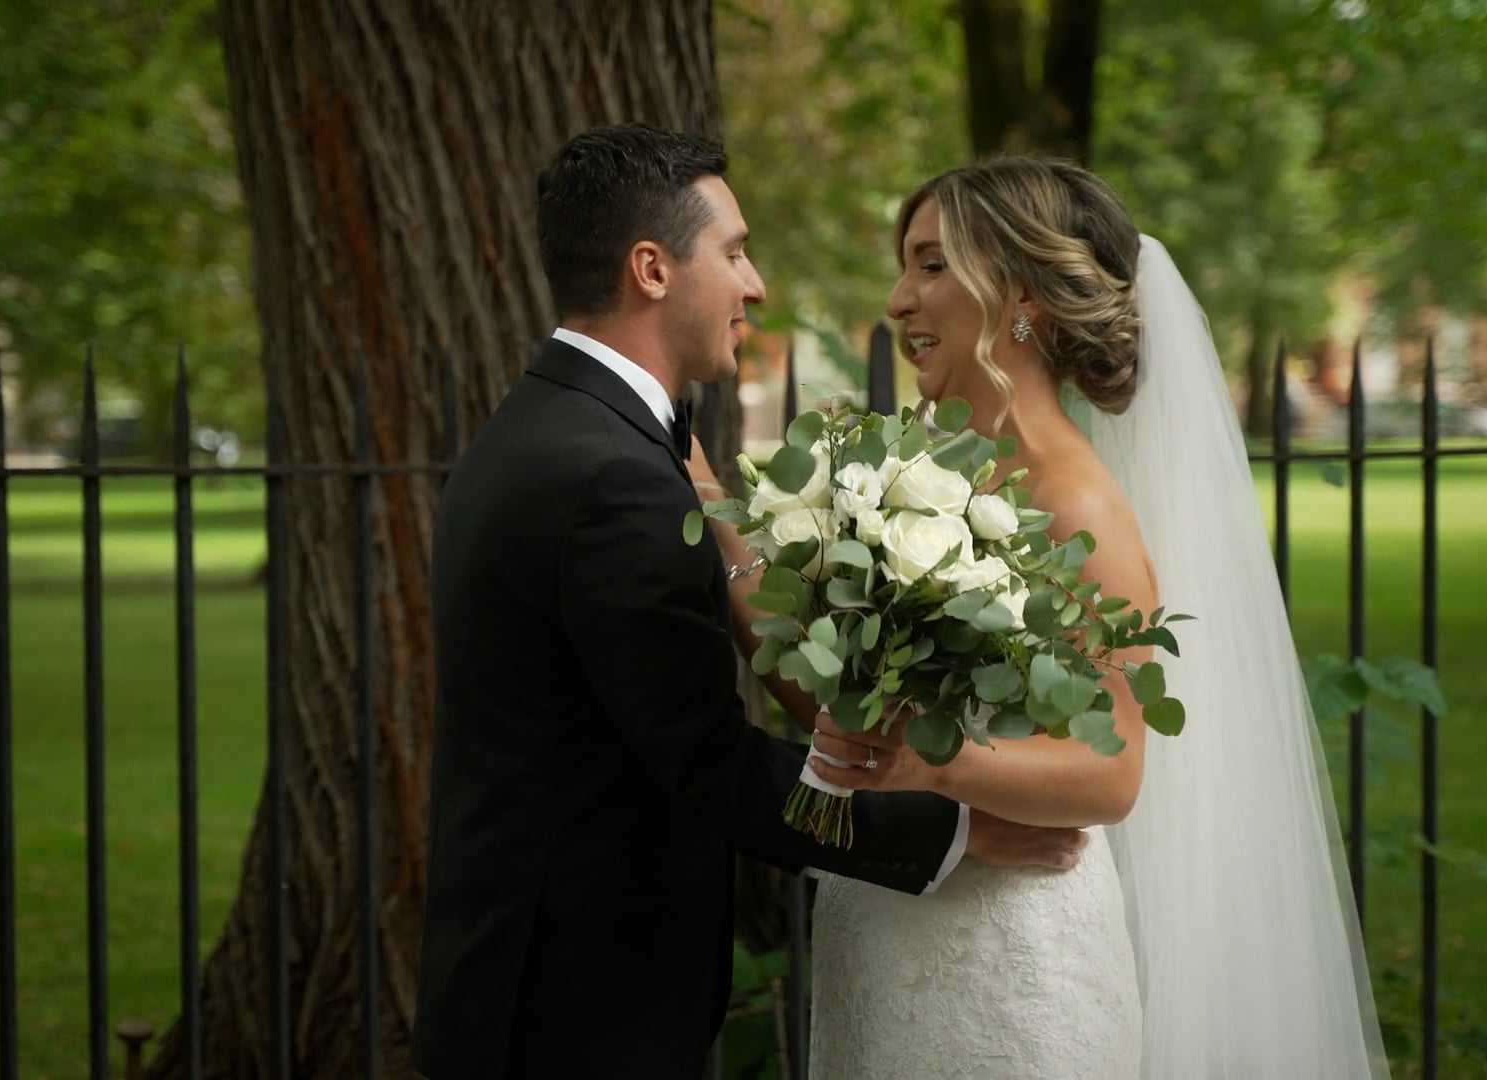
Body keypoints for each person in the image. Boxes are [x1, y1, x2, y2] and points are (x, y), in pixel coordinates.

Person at [412, 125, 1088, 1080]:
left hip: (537, 985)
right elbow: (709, 763)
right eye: (733, 253)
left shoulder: (559, 429)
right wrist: (956, 831)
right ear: (652, 269)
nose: (755, 284)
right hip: (573, 1016)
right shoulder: (608, 472)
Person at [707, 158, 1389, 1078]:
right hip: (886, 929)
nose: (899, 300)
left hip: (1011, 960)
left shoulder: (1076, 502)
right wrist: (720, 523)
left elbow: (1110, 774)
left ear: (1021, 293)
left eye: (932, 266)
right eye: (906, 268)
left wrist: (932, 763)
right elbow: (841, 712)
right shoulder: (916, 476)